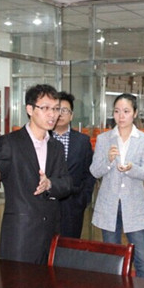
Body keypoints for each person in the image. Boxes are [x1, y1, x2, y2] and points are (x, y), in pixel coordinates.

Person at [0, 84, 72, 264]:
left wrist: (50, 184)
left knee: (48, 281)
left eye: (55, 109)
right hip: (21, 233)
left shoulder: (56, 147)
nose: (52, 114)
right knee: (17, 281)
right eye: (45, 108)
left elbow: (66, 183)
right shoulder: (10, 142)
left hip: (51, 232)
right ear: (30, 109)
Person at [90, 93, 144, 278]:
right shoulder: (104, 139)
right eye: (117, 111)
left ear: (135, 113)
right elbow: (94, 171)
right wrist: (109, 161)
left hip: (134, 205)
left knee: (141, 259)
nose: (121, 116)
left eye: (126, 111)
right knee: (112, 258)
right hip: (109, 204)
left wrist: (131, 168)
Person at [52, 91, 96, 238]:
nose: (60, 114)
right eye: (57, 109)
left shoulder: (82, 141)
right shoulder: (43, 139)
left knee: (70, 245)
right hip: (46, 205)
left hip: (73, 205)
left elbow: (89, 173)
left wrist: (83, 199)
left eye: (65, 110)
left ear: (71, 115)